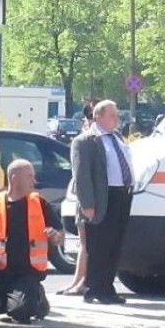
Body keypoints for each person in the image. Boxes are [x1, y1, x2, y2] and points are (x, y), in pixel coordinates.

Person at [0, 158, 63, 324]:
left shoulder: (39, 203)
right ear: (14, 178)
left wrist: (55, 236)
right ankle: (7, 299)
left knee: (21, 312)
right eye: (29, 176)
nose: (34, 181)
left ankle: (36, 297)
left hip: (27, 273)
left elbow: (60, 237)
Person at [71, 99, 134, 305]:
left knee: (114, 245)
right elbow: (82, 175)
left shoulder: (116, 137)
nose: (117, 119)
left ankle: (106, 286)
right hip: (101, 198)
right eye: (112, 115)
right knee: (100, 246)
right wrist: (87, 204)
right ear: (98, 116)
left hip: (122, 195)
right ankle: (96, 288)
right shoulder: (86, 141)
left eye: (117, 115)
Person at [56, 99, 98, 296]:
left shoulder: (90, 139)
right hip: (82, 197)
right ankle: (78, 281)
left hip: (86, 198)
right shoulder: (89, 139)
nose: (86, 121)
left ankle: (81, 282)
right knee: (84, 243)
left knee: (86, 243)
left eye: (88, 117)